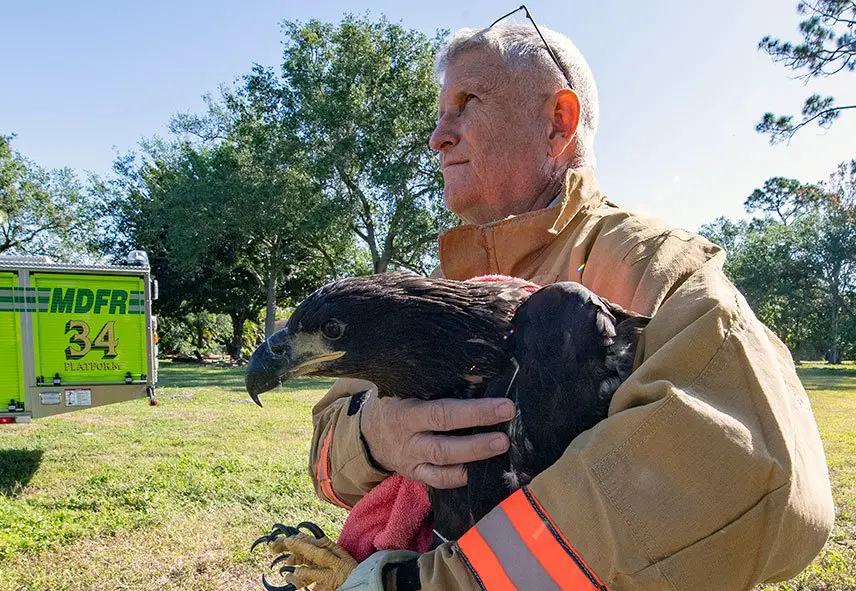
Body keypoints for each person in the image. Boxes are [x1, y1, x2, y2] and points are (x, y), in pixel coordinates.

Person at [304, 21, 835, 591]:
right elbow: (326, 459)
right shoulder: (428, 291)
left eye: (466, 103)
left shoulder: (651, 262)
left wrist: (424, 585)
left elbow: (768, 483)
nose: (438, 136)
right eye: (438, 115)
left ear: (558, 121)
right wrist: (377, 435)